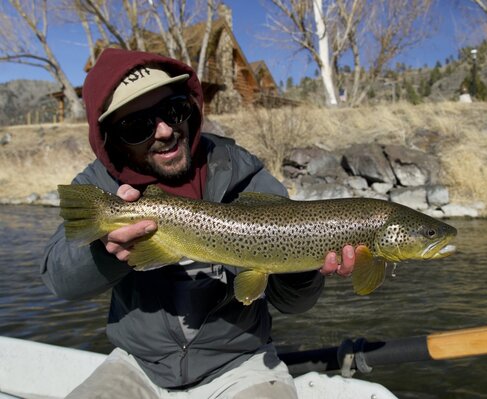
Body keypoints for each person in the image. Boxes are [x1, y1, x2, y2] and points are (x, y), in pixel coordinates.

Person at [40, 48, 356, 398]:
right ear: (110, 135)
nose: (163, 130)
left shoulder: (243, 174)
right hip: (138, 364)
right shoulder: (99, 185)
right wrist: (103, 252)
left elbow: (293, 304)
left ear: (190, 106)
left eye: (173, 109)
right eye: (136, 126)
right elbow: (59, 280)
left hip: (241, 364)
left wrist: (301, 265)